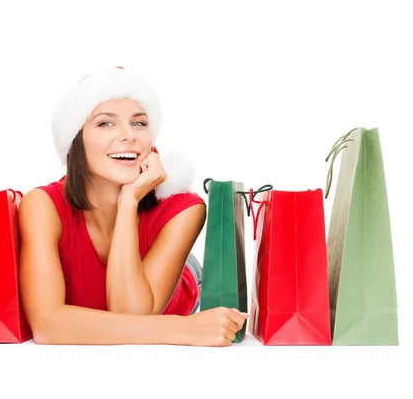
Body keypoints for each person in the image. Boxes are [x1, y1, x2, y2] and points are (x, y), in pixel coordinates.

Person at [19, 67, 247, 347]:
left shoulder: (183, 208)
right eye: (106, 123)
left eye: (139, 123)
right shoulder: (43, 205)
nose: (129, 135)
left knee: (181, 269)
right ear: (75, 140)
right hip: (168, 315)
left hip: (178, 280)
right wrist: (184, 330)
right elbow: (47, 327)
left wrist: (129, 201)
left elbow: (130, 313)